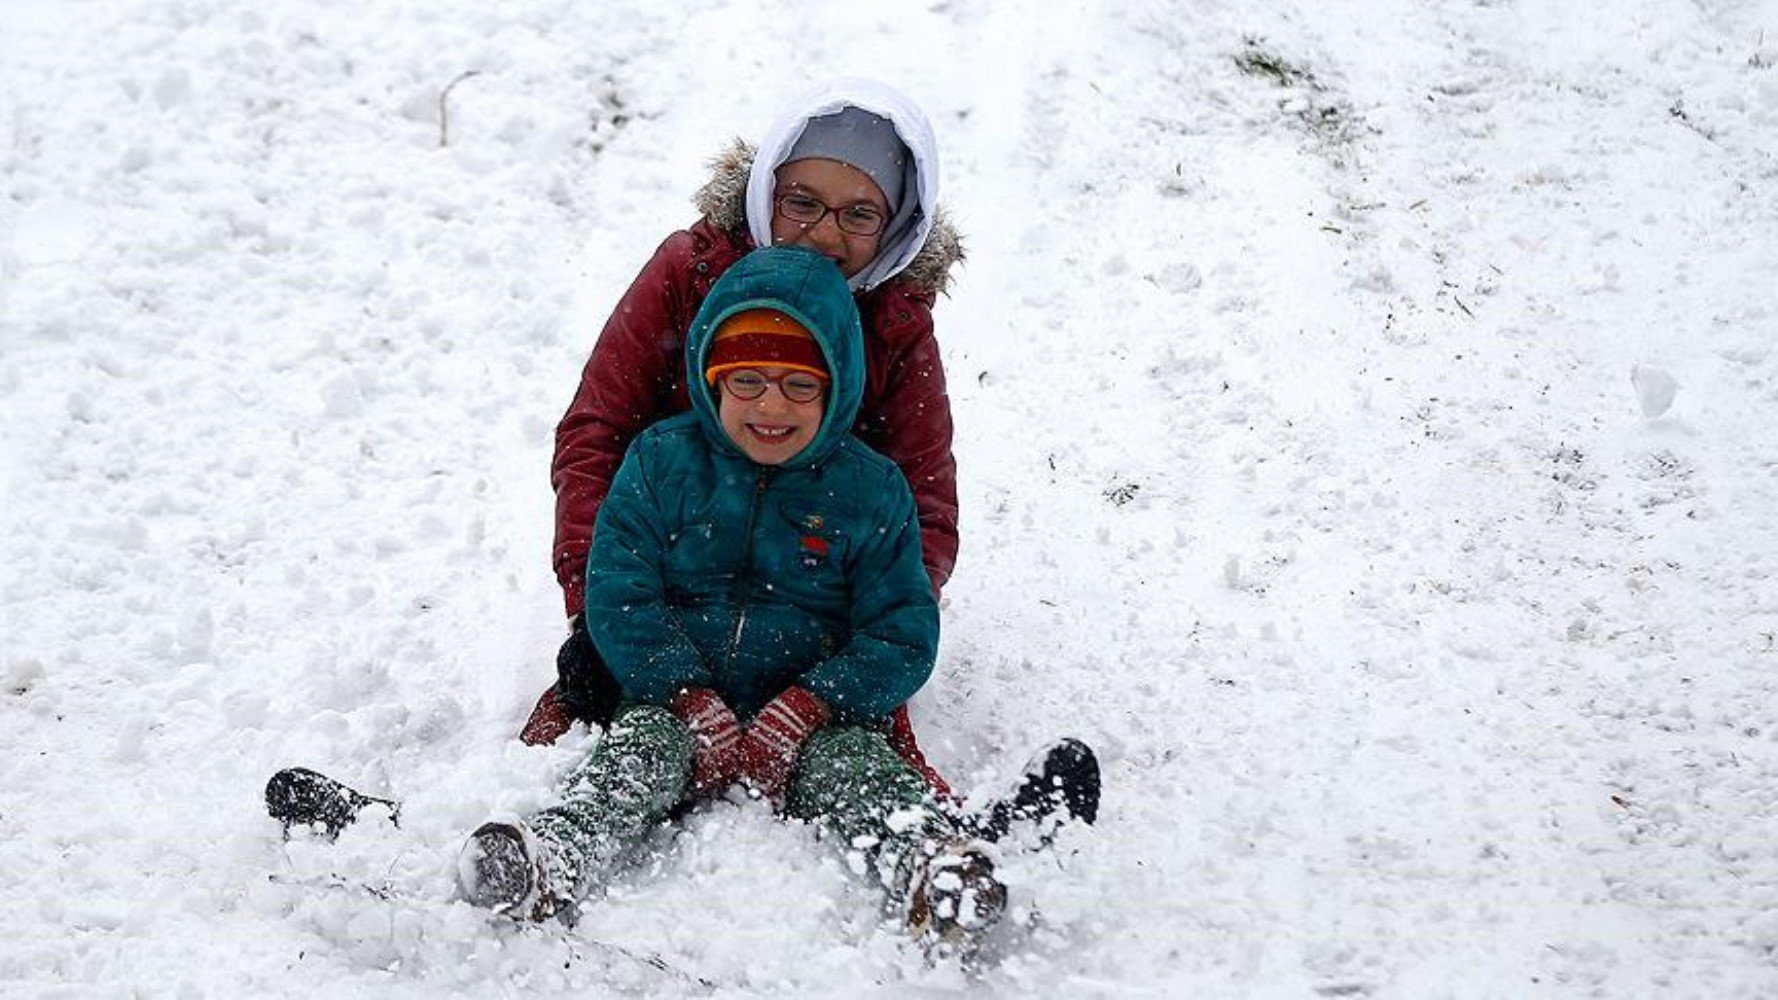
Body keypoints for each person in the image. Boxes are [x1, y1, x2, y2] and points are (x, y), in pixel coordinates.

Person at [459, 246, 1005, 950]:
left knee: (861, 772)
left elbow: (901, 630)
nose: (771, 405)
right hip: (675, 705)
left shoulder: (871, 491)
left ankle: (931, 866)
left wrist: (814, 704)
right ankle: (552, 857)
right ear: (710, 378)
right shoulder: (660, 464)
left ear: (838, 387)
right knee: (637, 754)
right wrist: (682, 692)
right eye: (746, 379)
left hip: (816, 720)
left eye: (800, 386)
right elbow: (620, 595)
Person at [523, 78, 962, 796]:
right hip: (679, 564)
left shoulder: (895, 318)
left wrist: (873, 639)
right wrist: (594, 605)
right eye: (802, 203)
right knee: (600, 745)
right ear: (767, 191)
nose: (825, 233)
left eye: (859, 214)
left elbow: (925, 498)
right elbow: (595, 433)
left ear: (896, 227)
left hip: (813, 584)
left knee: (858, 767)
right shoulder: (692, 272)